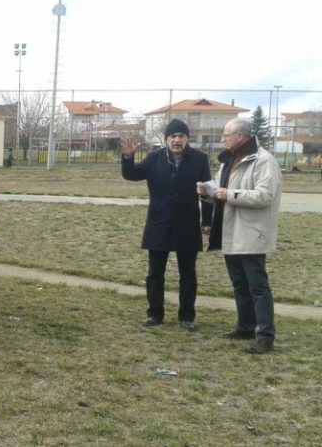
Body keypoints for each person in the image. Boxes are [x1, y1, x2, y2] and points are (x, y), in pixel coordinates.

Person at [197, 117, 282, 354]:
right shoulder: (229, 160)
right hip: (230, 232)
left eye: (226, 135)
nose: (223, 139)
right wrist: (207, 193)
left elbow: (265, 196)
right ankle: (245, 326)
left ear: (241, 137)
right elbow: (222, 192)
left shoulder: (264, 161)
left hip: (251, 235)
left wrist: (229, 194)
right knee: (239, 284)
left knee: (258, 287)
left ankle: (265, 336)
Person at [120, 119, 212, 331]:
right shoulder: (154, 159)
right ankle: (155, 314)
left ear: (187, 138)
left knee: (188, 275)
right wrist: (128, 157)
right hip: (159, 223)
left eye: (181, 136)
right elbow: (131, 174)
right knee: (155, 274)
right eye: (173, 136)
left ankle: (187, 317)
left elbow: (206, 192)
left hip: (188, 224)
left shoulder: (199, 159)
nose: (177, 140)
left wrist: (206, 221)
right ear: (166, 139)